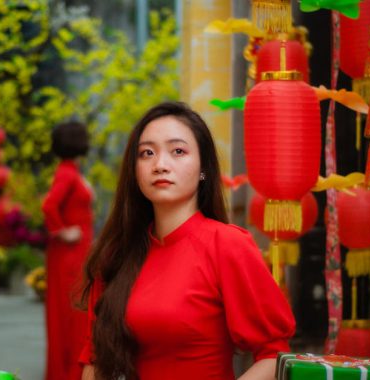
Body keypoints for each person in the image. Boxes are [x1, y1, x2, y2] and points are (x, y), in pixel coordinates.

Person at [78, 102, 295, 380]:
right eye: (147, 153)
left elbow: (273, 354)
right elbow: (95, 359)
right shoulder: (116, 255)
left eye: (178, 151)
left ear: (203, 167)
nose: (160, 165)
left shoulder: (227, 245)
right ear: (135, 170)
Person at [42, 121, 94, 380]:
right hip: (70, 255)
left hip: (76, 254)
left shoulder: (70, 170)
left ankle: (72, 371)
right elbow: (49, 205)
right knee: (73, 315)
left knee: (76, 314)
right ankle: (69, 373)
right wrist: (64, 231)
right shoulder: (67, 173)